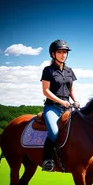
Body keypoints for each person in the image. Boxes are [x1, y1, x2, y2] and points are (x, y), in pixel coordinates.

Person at [40, 39, 79, 171]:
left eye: (65, 52)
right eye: (60, 52)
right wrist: (61, 101)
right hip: (52, 108)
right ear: (53, 54)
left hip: (68, 108)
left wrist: (76, 101)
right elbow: (46, 91)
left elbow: (71, 90)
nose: (63, 55)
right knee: (54, 133)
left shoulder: (69, 71)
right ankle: (48, 160)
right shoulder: (48, 70)